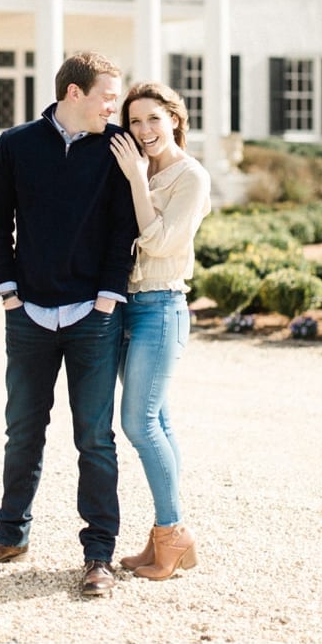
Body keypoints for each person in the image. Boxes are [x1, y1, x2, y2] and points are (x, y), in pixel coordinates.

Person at [0, 51, 139, 599]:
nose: (117, 106)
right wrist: (9, 292)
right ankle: (10, 535)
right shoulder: (15, 145)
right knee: (22, 431)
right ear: (73, 93)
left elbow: (122, 228)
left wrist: (108, 297)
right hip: (30, 316)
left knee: (95, 439)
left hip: (93, 315)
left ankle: (99, 556)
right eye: (108, 96)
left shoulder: (116, 150)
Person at [108, 82, 212, 580]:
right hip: (126, 307)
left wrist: (134, 179)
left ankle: (173, 533)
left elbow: (163, 243)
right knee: (160, 423)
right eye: (134, 122)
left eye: (152, 118)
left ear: (174, 117)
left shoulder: (190, 177)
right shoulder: (139, 165)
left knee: (138, 424)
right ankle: (164, 536)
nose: (143, 131)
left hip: (162, 307)